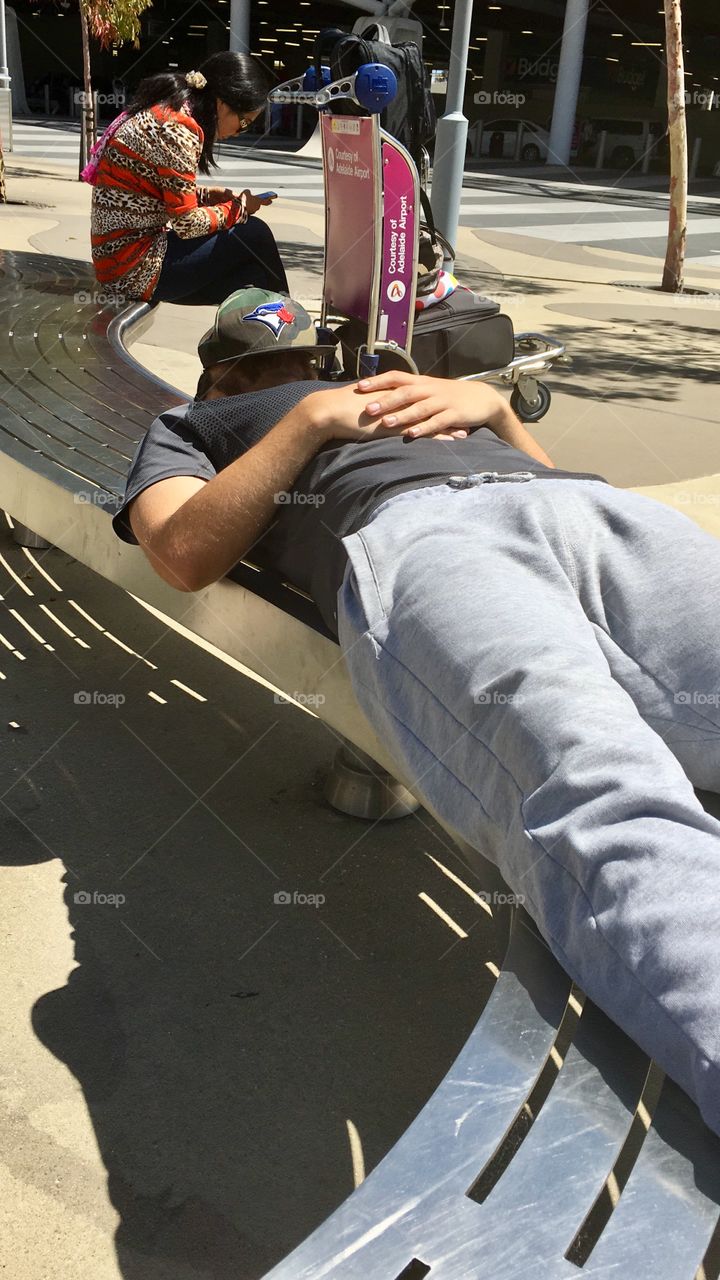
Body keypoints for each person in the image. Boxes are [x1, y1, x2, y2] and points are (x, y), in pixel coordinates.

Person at [113, 288, 720, 1138]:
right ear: (218, 381)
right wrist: (306, 422)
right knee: (596, 789)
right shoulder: (192, 428)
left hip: (591, 512)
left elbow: (538, 471)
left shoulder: (387, 383)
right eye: (260, 369)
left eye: (305, 361)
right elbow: (181, 552)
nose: (294, 374)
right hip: (428, 541)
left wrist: (498, 415)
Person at [87, 54, 288, 305]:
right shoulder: (179, 128)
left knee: (252, 277)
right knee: (255, 234)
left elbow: (157, 190)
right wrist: (239, 209)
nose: (240, 132)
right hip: (131, 270)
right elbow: (187, 224)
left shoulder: (167, 110)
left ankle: (282, 328)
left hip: (119, 263)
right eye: (244, 122)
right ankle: (293, 325)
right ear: (223, 103)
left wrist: (206, 196)